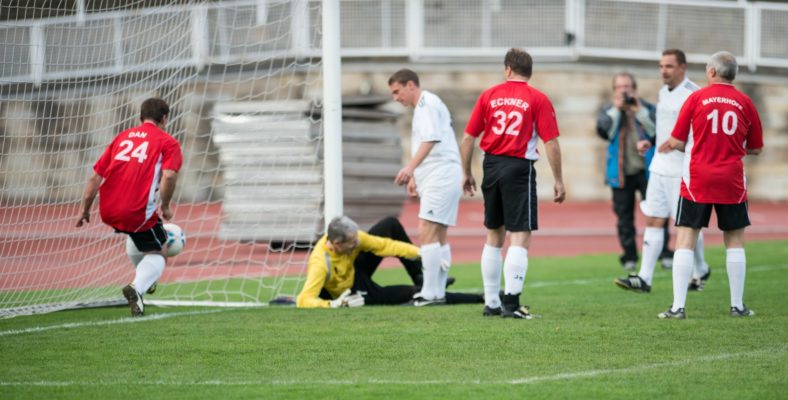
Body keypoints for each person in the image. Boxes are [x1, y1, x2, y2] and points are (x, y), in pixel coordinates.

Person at [460, 48, 566, 319]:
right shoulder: (538, 98)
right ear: (529, 72)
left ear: (507, 69)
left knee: (494, 234)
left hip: (491, 165)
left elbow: (468, 137)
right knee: (520, 235)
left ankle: (491, 303)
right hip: (519, 168)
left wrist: (466, 173)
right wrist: (558, 179)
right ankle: (511, 303)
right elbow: (551, 142)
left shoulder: (489, 95)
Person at [657, 51, 763, 319]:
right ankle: (737, 306)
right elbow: (756, 147)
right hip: (731, 179)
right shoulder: (745, 102)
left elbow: (677, 140)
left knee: (686, 238)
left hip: (697, 178)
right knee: (735, 241)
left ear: (712, 72)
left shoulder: (696, 98)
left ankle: (678, 307)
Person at [76, 98, 182, 317]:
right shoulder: (168, 142)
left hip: (108, 208)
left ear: (140, 117)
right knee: (159, 251)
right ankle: (139, 286)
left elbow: (95, 177)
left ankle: (145, 278)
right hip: (136, 210)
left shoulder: (122, 137)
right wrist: (165, 206)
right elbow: (170, 176)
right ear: (164, 118)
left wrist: (85, 209)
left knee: (136, 234)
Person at [615, 49, 710, 294]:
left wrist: (680, 144)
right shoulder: (663, 92)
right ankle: (644, 278)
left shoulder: (694, 94)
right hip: (658, 167)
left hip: (682, 171)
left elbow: (703, 135)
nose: (663, 71)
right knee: (654, 219)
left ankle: (700, 269)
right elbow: (664, 129)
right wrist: (651, 141)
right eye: (661, 66)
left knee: (685, 226)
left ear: (682, 67)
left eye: (669, 66)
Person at [388, 68, 463, 306]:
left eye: (397, 91)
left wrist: (410, 169)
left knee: (426, 229)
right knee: (438, 234)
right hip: (438, 174)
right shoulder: (424, 106)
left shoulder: (427, 103)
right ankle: (437, 292)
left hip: (441, 174)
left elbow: (431, 139)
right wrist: (416, 177)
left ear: (411, 85)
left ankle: (429, 293)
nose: (395, 98)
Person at [296, 216, 482, 308]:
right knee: (416, 294)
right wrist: (333, 304)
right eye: (352, 242)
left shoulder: (354, 240)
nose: (358, 243)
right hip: (352, 292)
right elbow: (303, 300)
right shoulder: (320, 263)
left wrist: (420, 253)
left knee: (390, 224)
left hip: (356, 271)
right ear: (337, 243)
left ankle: (422, 276)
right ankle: (479, 298)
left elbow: (385, 245)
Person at [596, 72, 674, 271]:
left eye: (627, 86)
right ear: (614, 90)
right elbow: (604, 132)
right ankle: (629, 256)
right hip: (620, 173)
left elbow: (658, 132)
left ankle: (664, 253)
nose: (624, 91)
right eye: (619, 87)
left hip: (649, 171)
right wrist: (616, 109)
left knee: (658, 213)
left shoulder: (647, 108)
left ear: (634, 88)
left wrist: (638, 110)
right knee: (624, 217)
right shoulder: (608, 110)